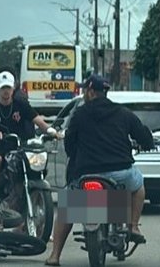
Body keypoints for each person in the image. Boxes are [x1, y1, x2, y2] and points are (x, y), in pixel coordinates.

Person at [63, 76, 153, 240]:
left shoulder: (80, 114)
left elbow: (69, 142)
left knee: (68, 205)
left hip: (86, 174)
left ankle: (55, 255)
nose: (84, 93)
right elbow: (144, 137)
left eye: (85, 90)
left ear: (90, 92)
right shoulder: (123, 113)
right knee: (139, 186)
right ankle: (133, 227)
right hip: (120, 174)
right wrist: (147, 143)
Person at [0, 71, 58, 205]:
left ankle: (22, 196)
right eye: (3, 88)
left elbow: (39, 121)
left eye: (8, 87)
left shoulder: (21, 105)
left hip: (18, 147)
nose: (6, 91)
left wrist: (52, 131)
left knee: (31, 162)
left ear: (13, 88)